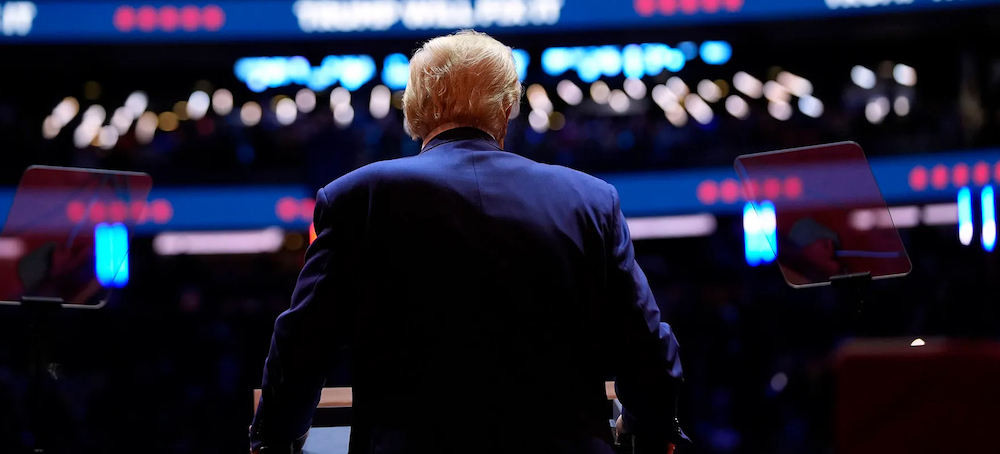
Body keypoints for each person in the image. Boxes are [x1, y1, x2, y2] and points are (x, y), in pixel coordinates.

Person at [250, 30, 689, 454]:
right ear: (508, 107)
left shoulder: (354, 197)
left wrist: (273, 437)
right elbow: (646, 349)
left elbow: (302, 344)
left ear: (414, 110)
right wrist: (646, 430)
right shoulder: (591, 200)